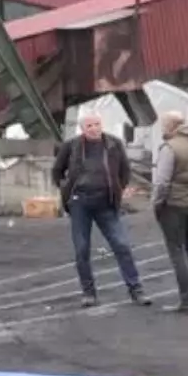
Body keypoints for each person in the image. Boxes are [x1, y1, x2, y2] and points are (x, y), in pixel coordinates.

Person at [52, 113, 151, 308]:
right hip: (80, 203)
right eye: (90, 125)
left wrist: (117, 190)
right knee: (82, 249)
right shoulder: (71, 146)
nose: (94, 128)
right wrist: (67, 190)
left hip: (106, 203)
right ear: (83, 128)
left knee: (122, 245)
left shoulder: (113, 144)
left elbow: (125, 170)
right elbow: (57, 170)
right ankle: (88, 292)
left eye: (97, 124)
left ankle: (136, 289)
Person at [151, 110, 188, 314]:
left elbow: (162, 182)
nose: (162, 128)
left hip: (173, 205)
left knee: (177, 252)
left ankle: (186, 300)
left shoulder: (170, 147)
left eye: (163, 124)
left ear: (171, 126)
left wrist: (157, 203)